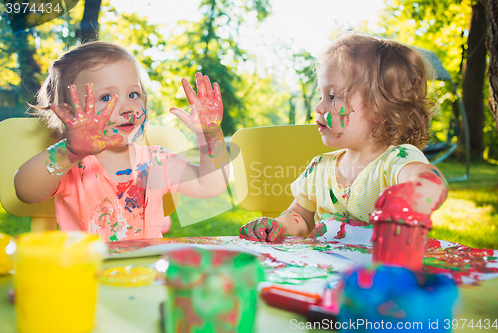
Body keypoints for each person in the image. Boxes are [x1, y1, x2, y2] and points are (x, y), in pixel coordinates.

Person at [239, 32, 448, 243]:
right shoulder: (319, 168)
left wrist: (413, 196)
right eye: (321, 95)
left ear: (379, 108)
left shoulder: (395, 161)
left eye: (332, 97)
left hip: (378, 272)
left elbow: (430, 181)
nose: (318, 107)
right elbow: (300, 217)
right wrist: (280, 225)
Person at [14, 41, 230, 241]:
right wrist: (68, 152)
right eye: (106, 97)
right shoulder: (73, 167)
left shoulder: (156, 162)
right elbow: (26, 192)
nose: (127, 107)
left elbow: (210, 185)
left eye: (134, 94)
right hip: (90, 274)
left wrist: (211, 135)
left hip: (145, 274)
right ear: (71, 114)